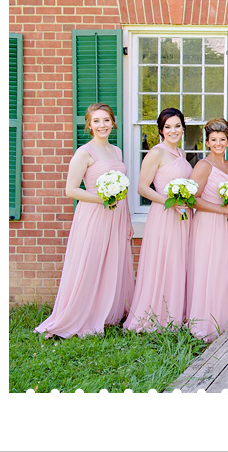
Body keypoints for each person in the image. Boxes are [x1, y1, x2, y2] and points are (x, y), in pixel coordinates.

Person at [36, 103, 135, 339]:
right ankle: (79, 315)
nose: (102, 125)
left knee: (113, 261)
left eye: (106, 120)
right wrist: (101, 198)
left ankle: (107, 311)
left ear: (113, 122)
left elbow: (124, 192)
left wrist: (128, 220)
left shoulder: (117, 151)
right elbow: (70, 190)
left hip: (117, 214)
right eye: (97, 121)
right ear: (89, 125)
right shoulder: (84, 153)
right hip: (94, 214)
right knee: (90, 262)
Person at [124, 108, 192, 332]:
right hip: (165, 214)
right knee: (164, 261)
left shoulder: (182, 153)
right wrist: (169, 202)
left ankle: (175, 313)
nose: (173, 130)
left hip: (184, 215)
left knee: (179, 261)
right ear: (161, 130)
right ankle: (156, 315)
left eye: (177, 126)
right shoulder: (156, 152)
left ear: (183, 128)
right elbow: (142, 188)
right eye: (168, 127)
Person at [186, 118, 228, 342]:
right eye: (213, 140)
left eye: (222, 139)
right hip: (210, 224)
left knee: (227, 267)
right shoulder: (203, 166)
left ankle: (226, 318)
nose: (218, 143)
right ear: (207, 142)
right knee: (211, 267)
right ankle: (206, 322)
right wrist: (220, 209)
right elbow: (192, 199)